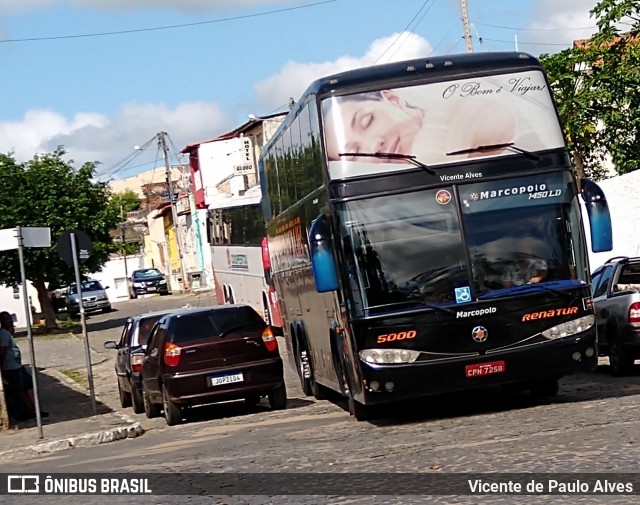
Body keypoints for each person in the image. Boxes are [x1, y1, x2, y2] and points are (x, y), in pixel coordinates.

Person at [323, 87, 520, 166]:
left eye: (367, 121)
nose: (374, 146)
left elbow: (495, 121)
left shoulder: (456, 110)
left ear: (392, 99)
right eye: (356, 153)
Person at [0, 311, 47, 421]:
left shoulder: (7, 332)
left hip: (16, 365)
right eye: (6, 319)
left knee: (28, 385)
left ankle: (34, 410)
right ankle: (27, 412)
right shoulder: (3, 334)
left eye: (10, 318)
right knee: (20, 391)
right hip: (11, 367)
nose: (9, 320)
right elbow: (2, 351)